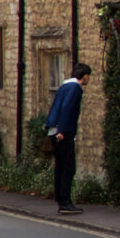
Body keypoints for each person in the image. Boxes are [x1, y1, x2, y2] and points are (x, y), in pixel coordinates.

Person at [43, 61, 88, 214]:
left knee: (61, 167)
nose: (89, 80)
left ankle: (61, 199)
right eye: (88, 77)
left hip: (54, 130)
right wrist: (62, 130)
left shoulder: (64, 86)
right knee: (69, 167)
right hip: (63, 132)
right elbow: (67, 108)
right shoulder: (75, 88)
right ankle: (65, 202)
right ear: (85, 76)